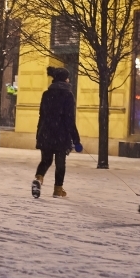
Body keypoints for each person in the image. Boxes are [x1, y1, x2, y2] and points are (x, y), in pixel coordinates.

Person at [32, 66, 81, 198]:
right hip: (61, 135)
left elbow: (41, 115)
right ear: (65, 79)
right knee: (60, 163)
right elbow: (69, 119)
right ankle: (58, 190)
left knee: (46, 161)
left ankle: (39, 178)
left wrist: (39, 134)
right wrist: (76, 140)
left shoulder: (46, 94)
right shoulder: (68, 95)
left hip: (46, 133)